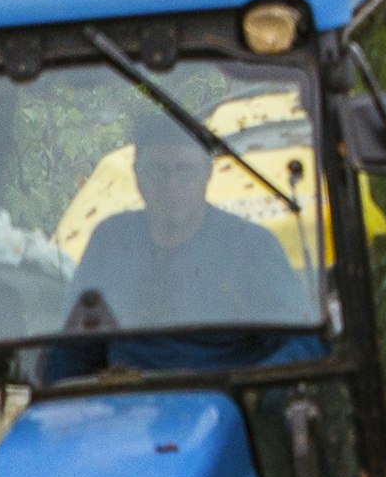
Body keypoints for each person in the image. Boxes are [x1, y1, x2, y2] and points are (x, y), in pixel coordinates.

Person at [39, 125, 319, 384]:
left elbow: (306, 343)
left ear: (207, 173)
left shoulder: (250, 247)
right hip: (128, 404)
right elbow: (74, 349)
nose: (171, 185)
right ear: (137, 175)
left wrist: (253, 389)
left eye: (184, 170)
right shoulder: (111, 241)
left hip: (225, 401)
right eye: (158, 171)